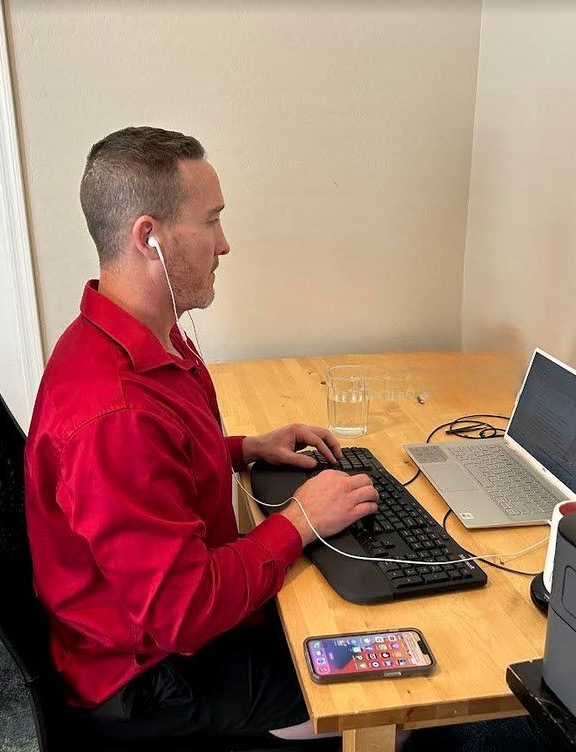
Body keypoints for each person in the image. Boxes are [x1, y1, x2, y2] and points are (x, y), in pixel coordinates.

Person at [24, 126, 379, 743]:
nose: (225, 244)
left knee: (347, 594)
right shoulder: (114, 415)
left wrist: (245, 449)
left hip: (167, 622)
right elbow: (181, 615)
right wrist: (298, 521)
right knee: (386, 678)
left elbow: (158, 467)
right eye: (210, 222)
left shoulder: (138, 337)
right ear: (149, 238)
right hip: (152, 678)